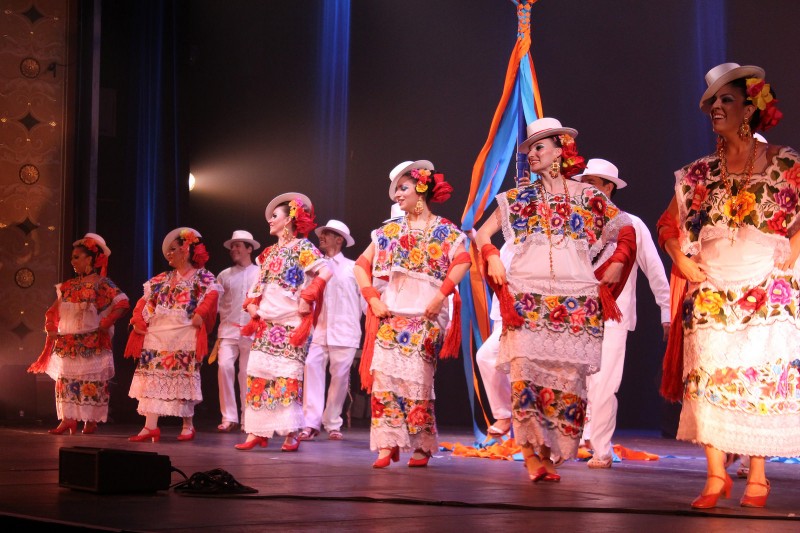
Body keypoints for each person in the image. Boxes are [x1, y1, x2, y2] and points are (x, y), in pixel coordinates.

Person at [657, 62, 800, 509]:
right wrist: (680, 257)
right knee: (709, 381)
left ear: (750, 107)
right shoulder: (698, 173)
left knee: (759, 379)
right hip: (713, 289)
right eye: (712, 102)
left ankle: (758, 475)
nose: (716, 107)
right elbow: (669, 225)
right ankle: (716, 475)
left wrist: (794, 247)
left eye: (726, 99)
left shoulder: (784, 163)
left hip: (767, 288)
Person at [475, 117, 637, 483]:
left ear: (560, 152)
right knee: (525, 378)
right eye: (530, 148)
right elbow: (482, 231)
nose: (532, 153)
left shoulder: (587, 197)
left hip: (576, 299)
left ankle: (549, 453)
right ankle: (531, 454)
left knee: (565, 384)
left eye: (539, 147)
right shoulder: (519, 199)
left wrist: (619, 263)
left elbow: (625, 228)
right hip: (528, 297)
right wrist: (493, 255)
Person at [354, 160, 471, 468]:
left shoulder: (445, 230)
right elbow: (360, 265)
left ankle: (421, 445)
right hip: (392, 313)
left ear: (421, 189)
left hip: (427, 315)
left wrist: (441, 294)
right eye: (395, 191)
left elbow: (462, 260)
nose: (397, 196)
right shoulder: (389, 231)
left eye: (402, 188)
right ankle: (388, 443)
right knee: (385, 379)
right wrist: (372, 298)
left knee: (418, 380)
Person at [575, 158, 671, 468]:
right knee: (572, 382)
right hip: (574, 314)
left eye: (592, 182)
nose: (586, 188)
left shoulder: (632, 224)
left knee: (604, 384)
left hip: (613, 316)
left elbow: (655, 272)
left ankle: (601, 448)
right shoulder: (573, 223)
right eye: (583, 181)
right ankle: (573, 439)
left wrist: (666, 312)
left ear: (608, 187)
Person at [235, 192, 331, 452]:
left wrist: (308, 295)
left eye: (274, 216)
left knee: (287, 377)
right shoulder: (267, 254)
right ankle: (257, 431)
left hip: (291, 324)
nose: (270, 221)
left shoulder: (303, 248)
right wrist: (252, 303)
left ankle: (291, 432)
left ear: (289, 219)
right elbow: (258, 284)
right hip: (267, 323)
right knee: (257, 375)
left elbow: (326, 270)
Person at [28, 233, 130, 435]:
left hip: (92, 340)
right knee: (66, 380)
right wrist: (50, 324)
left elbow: (123, 303)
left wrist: (107, 321)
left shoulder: (102, 284)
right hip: (68, 341)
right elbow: (53, 310)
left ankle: (90, 421)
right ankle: (68, 419)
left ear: (90, 259)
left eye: (76, 257)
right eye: (72, 257)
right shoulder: (67, 286)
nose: (72, 261)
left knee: (91, 380)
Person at [125, 227, 220, 442]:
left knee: (183, 377)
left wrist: (201, 313)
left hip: (184, 334)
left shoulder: (202, 276)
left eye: (173, 249)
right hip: (159, 334)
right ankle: (150, 426)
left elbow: (213, 293)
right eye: (167, 250)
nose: (168, 254)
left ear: (185, 250)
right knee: (152, 378)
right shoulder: (162, 279)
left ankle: (188, 424)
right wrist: (137, 319)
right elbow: (144, 301)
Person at [299, 219, 363, 441]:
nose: (321, 237)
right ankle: (310, 423)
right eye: (322, 234)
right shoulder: (315, 267)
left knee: (340, 378)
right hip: (320, 330)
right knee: (311, 367)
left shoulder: (354, 267)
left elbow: (365, 300)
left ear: (339, 239)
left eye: (327, 234)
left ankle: (332, 422)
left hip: (346, 332)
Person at [214, 230, 261, 433]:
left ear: (249, 248)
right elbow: (215, 304)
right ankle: (228, 417)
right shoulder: (224, 275)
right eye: (232, 246)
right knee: (224, 367)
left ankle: (246, 419)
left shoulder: (260, 273)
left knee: (246, 374)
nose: (234, 249)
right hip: (228, 330)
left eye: (238, 245)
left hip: (251, 332)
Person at [475, 240, 514, 438]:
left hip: (524, 314)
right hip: (503, 314)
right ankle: (505, 414)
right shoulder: (507, 245)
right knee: (487, 358)